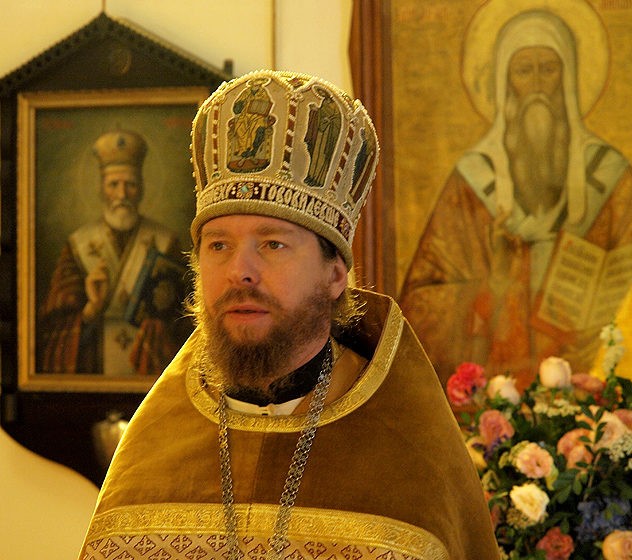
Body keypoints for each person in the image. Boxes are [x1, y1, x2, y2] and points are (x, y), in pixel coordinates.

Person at [77, 70, 499, 560]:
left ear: (335, 276)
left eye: (273, 244)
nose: (240, 272)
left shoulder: (413, 455)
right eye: (219, 245)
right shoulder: (150, 452)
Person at [400, 9, 632, 388]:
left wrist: (602, 300)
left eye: (548, 70)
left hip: (593, 393)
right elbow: (420, 305)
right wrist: (491, 285)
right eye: (523, 71)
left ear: (568, 79)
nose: (536, 86)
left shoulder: (612, 179)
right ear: (504, 82)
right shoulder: (471, 183)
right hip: (496, 398)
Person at [39, 129, 190, 376]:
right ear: (101, 189)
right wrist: (90, 310)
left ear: (141, 188)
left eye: (130, 184)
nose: (122, 195)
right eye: (113, 185)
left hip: (150, 370)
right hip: (94, 365)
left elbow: (184, 321)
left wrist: (159, 319)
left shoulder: (167, 242)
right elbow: (55, 326)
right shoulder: (78, 244)